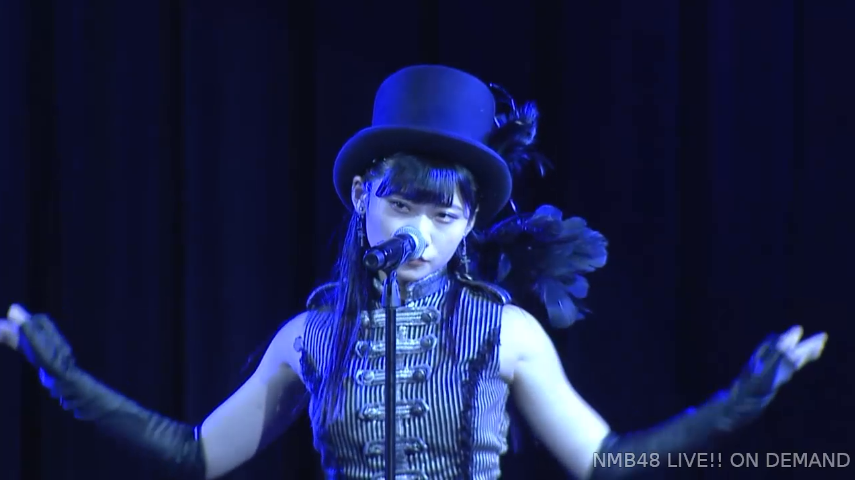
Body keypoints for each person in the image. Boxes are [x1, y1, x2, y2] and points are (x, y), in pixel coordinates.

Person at [0, 65, 827, 480]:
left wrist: (738, 401)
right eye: (403, 206)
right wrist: (65, 377)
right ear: (363, 195)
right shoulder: (313, 335)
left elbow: (604, 462)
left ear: (468, 224)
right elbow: (197, 455)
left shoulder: (506, 331)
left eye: (445, 217)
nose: (421, 236)